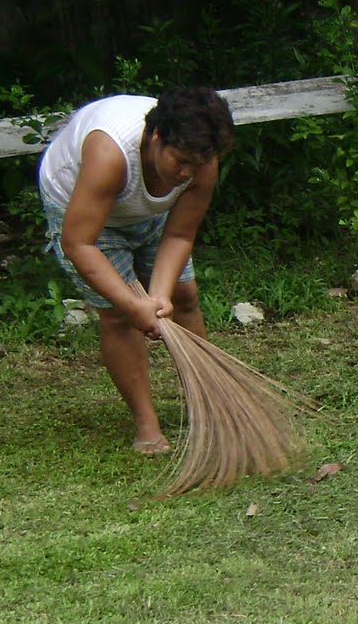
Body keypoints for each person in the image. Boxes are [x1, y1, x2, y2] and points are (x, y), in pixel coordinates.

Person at [39, 87, 235, 453]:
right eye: (180, 161)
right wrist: (133, 305)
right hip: (83, 212)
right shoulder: (109, 153)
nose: (187, 173)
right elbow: (78, 243)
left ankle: (208, 401)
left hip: (146, 210)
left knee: (184, 295)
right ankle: (147, 425)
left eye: (197, 164)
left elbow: (179, 234)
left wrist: (159, 296)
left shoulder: (200, 159)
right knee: (118, 314)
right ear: (156, 137)